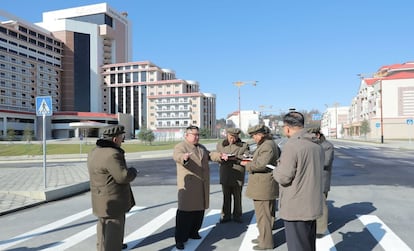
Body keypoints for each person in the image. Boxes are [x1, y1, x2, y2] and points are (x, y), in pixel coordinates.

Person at [273, 112, 324, 251]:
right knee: (308, 245)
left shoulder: (292, 145)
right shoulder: (316, 145)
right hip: (311, 204)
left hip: (296, 207)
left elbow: (283, 177)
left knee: (297, 246)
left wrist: (275, 170)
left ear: (287, 128)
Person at [172, 125, 225, 250]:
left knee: (199, 211)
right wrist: (184, 158)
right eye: (194, 134)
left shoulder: (201, 148)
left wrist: (220, 156)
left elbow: (210, 155)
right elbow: (177, 156)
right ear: (187, 135)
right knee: (185, 213)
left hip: (201, 184)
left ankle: (194, 232)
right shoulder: (181, 146)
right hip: (189, 185)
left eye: (198, 134)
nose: (197, 137)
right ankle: (180, 239)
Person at [87, 124, 138, 251]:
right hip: (113, 199)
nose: (123, 139)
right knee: (115, 230)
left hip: (99, 197)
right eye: (122, 137)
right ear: (115, 139)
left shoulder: (94, 151)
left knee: (103, 228)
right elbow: (122, 177)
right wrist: (133, 171)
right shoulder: (112, 154)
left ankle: (102, 248)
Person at [240, 124, 280, 250]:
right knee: (268, 214)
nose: (254, 138)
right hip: (266, 184)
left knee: (263, 216)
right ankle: (264, 237)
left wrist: (246, 165)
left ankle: (266, 242)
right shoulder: (268, 144)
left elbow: (262, 165)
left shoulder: (267, 145)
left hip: (263, 185)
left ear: (261, 134)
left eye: (255, 135)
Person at [216, 128, 250, 223]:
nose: (232, 139)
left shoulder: (244, 145)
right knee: (226, 196)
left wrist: (236, 157)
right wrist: (221, 157)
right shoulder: (221, 145)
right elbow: (216, 156)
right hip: (225, 173)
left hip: (237, 174)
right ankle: (226, 215)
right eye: (231, 137)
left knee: (237, 197)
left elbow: (247, 157)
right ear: (227, 135)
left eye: (235, 137)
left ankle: (237, 215)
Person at [308, 127, 334, 237]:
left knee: (321, 204)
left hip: (322, 179)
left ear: (318, 135)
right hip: (311, 178)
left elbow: (326, 162)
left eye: (312, 137)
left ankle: (321, 229)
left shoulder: (327, 146)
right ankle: (313, 225)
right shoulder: (311, 145)